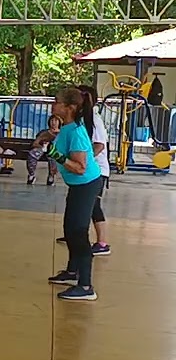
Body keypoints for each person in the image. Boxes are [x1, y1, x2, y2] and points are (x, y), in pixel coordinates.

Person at [45, 86, 105, 301]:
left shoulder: (77, 132)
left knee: (78, 232)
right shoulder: (69, 127)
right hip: (78, 185)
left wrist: (57, 157)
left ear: (69, 107)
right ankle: (72, 271)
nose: (53, 105)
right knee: (69, 228)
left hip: (86, 184)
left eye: (57, 101)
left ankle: (86, 285)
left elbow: (80, 167)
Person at [54, 85, 110, 255]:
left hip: (96, 171)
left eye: (57, 102)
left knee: (93, 207)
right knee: (81, 215)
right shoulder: (75, 124)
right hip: (85, 175)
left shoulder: (93, 119)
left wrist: (84, 161)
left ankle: (101, 242)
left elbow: (99, 144)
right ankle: (75, 242)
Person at [26, 115, 62, 186]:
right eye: (52, 120)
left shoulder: (62, 133)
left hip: (54, 150)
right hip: (42, 149)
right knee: (32, 154)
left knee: (54, 156)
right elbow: (35, 143)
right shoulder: (44, 133)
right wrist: (42, 146)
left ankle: (51, 176)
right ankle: (31, 175)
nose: (53, 123)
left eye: (55, 121)